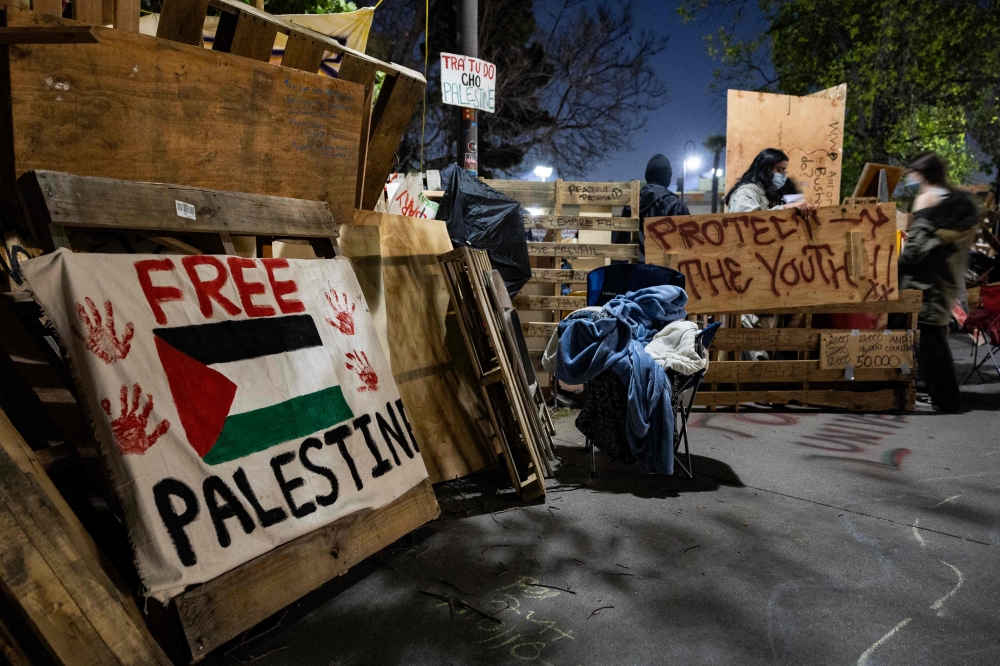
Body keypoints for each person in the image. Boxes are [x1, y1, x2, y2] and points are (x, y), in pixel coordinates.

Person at [898, 152, 978, 413]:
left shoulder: (926, 198)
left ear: (922, 173)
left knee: (929, 339)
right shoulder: (955, 204)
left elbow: (916, 247)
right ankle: (939, 395)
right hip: (944, 279)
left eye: (912, 172)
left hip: (924, 281)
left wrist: (895, 264)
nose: (909, 177)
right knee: (933, 336)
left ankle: (946, 399)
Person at [724, 148, 814, 213]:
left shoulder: (772, 192)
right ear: (765, 170)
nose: (783, 175)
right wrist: (784, 208)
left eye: (784, 170)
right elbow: (748, 222)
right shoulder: (746, 193)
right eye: (779, 169)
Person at [635, 154, 690, 262]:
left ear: (647, 176)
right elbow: (685, 248)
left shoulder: (631, 204)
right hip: (664, 273)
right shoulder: (676, 205)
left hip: (632, 273)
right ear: (668, 177)